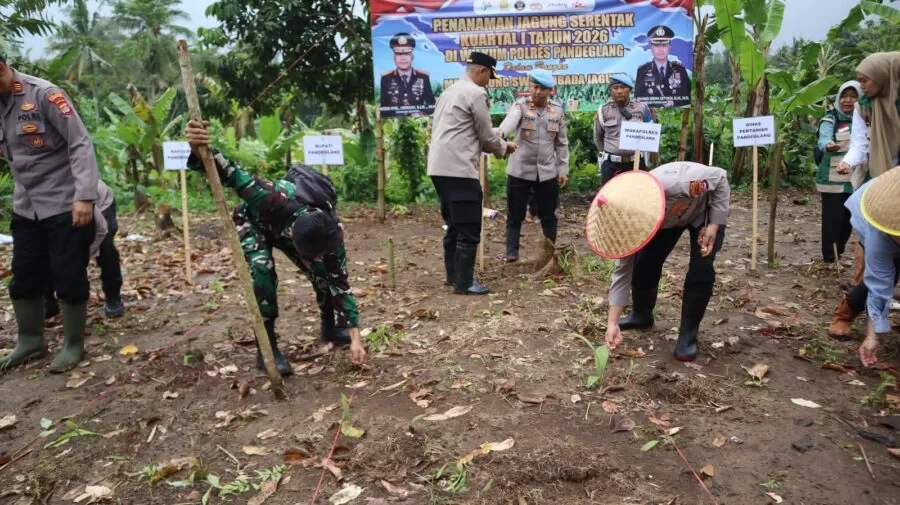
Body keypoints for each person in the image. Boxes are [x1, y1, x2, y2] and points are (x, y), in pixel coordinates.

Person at [183, 120, 367, 376]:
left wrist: (355, 337)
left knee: (324, 273)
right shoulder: (269, 197)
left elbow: (341, 282)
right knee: (262, 272)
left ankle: (331, 327)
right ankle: (266, 347)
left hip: (298, 231)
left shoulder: (332, 232)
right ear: (292, 236)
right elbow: (232, 172)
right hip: (255, 222)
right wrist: (198, 147)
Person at [0, 54, 99, 373]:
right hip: (26, 205)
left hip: (64, 201)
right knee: (25, 273)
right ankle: (30, 341)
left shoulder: (44, 94)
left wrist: (84, 196)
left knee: (68, 274)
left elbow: (80, 143)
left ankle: (73, 345)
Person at [605, 162, 730, 362]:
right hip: (667, 221)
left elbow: (721, 177)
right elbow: (622, 272)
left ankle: (688, 334)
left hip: (701, 214)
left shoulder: (681, 183)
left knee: (701, 270)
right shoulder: (631, 222)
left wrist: (714, 224)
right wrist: (612, 323)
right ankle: (642, 315)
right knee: (644, 264)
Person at [428, 51, 516, 295]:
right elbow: (486, 135)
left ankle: (453, 276)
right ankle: (464, 282)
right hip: (460, 168)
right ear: (482, 71)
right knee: (468, 225)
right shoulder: (476, 93)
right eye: (489, 76)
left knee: (454, 223)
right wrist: (504, 148)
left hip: (438, 168)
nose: (489, 82)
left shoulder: (449, 91)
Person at [828, 52, 900, 339]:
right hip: (883, 186)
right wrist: (849, 160)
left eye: (863, 80)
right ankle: (847, 312)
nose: (861, 87)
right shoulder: (866, 107)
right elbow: (860, 145)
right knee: (876, 261)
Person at [497, 69, 569, 263]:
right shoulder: (520, 106)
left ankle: (549, 251)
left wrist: (562, 169)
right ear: (530, 87)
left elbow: (561, 143)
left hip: (546, 171)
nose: (538, 92)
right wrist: (500, 135)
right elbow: (508, 124)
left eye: (543, 89)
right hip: (520, 169)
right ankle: (512, 252)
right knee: (515, 212)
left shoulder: (557, 111)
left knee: (548, 214)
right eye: (535, 87)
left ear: (550, 91)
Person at [841, 165, 900, 367]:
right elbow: (879, 281)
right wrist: (873, 336)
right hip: (871, 208)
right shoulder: (879, 230)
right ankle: (844, 313)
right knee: (888, 274)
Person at [44, 180, 124, 319]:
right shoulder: (40, 195)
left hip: (99, 203)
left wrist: (81, 258)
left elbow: (101, 231)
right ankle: (48, 300)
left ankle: (113, 296)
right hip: (60, 209)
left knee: (106, 249)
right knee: (50, 252)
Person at [816, 80, 862, 263]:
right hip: (831, 179)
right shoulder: (830, 119)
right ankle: (829, 257)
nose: (848, 100)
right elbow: (824, 137)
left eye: (853, 96)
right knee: (832, 220)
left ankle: (839, 250)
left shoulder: (866, 119)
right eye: (844, 96)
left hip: (855, 179)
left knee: (848, 219)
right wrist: (828, 144)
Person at [593, 75, 653, 186]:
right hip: (611, 165)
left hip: (636, 163)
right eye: (615, 88)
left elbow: (650, 134)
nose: (619, 91)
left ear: (630, 89)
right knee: (611, 199)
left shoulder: (642, 108)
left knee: (638, 197)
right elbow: (598, 137)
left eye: (623, 87)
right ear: (610, 91)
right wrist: (612, 152)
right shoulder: (603, 110)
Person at [380, 32, 435, 117]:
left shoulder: (423, 77)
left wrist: (421, 113)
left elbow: (432, 105)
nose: (403, 58)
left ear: (412, 57)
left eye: (407, 53)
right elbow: (383, 108)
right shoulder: (386, 78)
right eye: (399, 54)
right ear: (394, 58)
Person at [635, 25, 691, 108]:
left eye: (664, 45)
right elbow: (638, 100)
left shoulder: (680, 70)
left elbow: (688, 97)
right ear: (651, 47)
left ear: (670, 47)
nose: (660, 49)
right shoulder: (642, 71)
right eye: (656, 45)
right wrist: (658, 104)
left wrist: (673, 103)